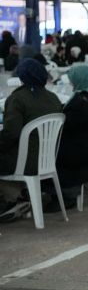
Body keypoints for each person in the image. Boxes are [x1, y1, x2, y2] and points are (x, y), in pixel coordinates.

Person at [0, 59, 62, 218]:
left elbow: (10, 134)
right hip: (47, 161)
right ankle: (19, 196)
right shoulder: (54, 98)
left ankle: (11, 200)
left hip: (25, 162)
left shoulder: (17, 99)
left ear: (22, 77)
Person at [54, 65, 88, 205]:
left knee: (50, 152)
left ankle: (66, 193)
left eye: (72, 82)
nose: (71, 85)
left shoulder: (81, 100)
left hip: (83, 152)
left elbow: (66, 123)